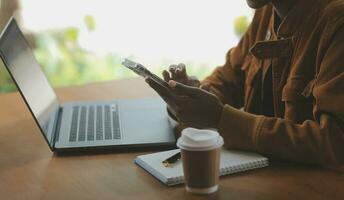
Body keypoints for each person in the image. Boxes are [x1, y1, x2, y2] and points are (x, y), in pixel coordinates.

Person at [145, 0, 344, 169]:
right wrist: (191, 98)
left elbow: (334, 143)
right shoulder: (267, 11)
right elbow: (231, 77)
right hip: (264, 179)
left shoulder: (337, 21)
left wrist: (221, 118)